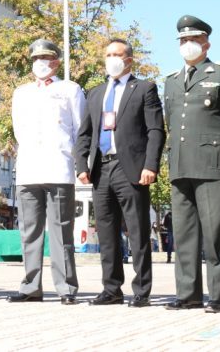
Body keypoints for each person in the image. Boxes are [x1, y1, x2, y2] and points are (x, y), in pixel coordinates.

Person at [163, 16, 220, 313]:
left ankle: (218, 295)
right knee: (184, 233)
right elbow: (170, 121)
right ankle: (187, 294)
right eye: (183, 41)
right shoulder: (171, 81)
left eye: (193, 40)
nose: (188, 45)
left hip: (212, 163)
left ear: (206, 43)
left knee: (215, 231)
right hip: (180, 163)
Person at [73, 38, 166, 308]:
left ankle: (141, 290)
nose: (112, 58)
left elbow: (155, 130)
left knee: (137, 231)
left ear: (129, 60)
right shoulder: (95, 92)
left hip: (133, 170)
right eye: (108, 54)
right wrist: (81, 166)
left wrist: (151, 165)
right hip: (101, 168)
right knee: (106, 232)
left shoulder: (144, 89)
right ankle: (111, 288)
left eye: (117, 54)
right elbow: (84, 134)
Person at [7, 39, 85, 305]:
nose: (40, 62)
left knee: (61, 232)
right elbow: (19, 130)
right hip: (29, 169)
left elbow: (79, 128)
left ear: (57, 61)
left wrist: (73, 160)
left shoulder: (70, 89)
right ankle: (30, 287)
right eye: (36, 58)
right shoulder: (22, 92)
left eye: (46, 57)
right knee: (29, 231)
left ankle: (66, 288)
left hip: (59, 167)